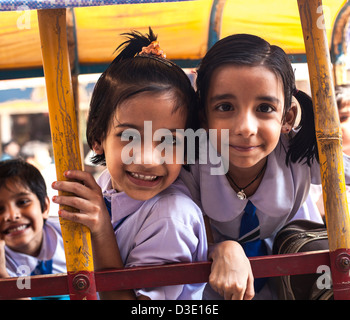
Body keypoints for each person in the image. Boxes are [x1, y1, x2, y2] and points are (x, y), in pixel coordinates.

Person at [179, 33, 350, 300]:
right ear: (204, 117)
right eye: (225, 107)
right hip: (214, 283)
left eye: (264, 108)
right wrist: (220, 249)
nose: (245, 128)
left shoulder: (300, 153)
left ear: (287, 117)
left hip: (292, 281)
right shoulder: (190, 164)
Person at [51, 28, 207, 300]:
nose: (147, 159)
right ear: (99, 139)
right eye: (128, 136)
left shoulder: (171, 217)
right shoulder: (105, 185)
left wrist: (101, 230)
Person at [0, 159, 67, 299]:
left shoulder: (70, 233)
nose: (11, 216)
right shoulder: (2, 262)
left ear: (45, 207)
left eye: (23, 202)